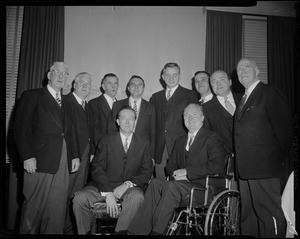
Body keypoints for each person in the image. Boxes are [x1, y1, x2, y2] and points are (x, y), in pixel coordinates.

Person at [125, 103, 225, 235]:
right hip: (181, 185)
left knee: (172, 187)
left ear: (202, 118)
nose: (189, 119)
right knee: (155, 183)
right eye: (186, 116)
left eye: (194, 115)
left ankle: (157, 232)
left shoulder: (212, 138)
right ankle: (137, 231)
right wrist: (176, 174)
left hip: (203, 188)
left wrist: (188, 173)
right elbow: (170, 166)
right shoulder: (180, 141)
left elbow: (217, 165)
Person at [14, 62, 80, 234]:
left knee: (57, 211)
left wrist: (75, 156)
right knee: (33, 209)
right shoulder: (32, 96)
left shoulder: (69, 103)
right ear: (48, 74)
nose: (60, 76)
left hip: (63, 163)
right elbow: (21, 129)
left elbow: (70, 133)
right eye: (56, 72)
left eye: (65, 73)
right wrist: (27, 156)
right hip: (38, 162)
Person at [234, 58, 293, 238]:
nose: (242, 72)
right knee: (249, 217)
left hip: (265, 169)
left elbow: (286, 132)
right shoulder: (243, 98)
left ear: (257, 70)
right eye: (238, 70)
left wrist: (274, 162)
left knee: (269, 215)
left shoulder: (269, 92)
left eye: (246, 68)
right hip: (245, 170)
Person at [72, 106, 153, 234]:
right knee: (79, 198)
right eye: (123, 118)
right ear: (117, 121)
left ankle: (121, 232)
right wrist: (108, 192)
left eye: (131, 118)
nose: (127, 122)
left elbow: (147, 172)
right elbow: (96, 168)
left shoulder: (144, 143)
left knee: (137, 197)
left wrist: (126, 185)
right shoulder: (105, 141)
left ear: (135, 122)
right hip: (103, 187)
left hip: (129, 189)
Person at [150, 62, 198, 179]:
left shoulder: (190, 95)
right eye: (168, 75)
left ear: (179, 76)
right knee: (160, 184)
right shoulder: (155, 97)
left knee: (177, 185)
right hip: (160, 149)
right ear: (163, 77)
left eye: (175, 75)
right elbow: (152, 126)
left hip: (181, 147)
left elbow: (195, 124)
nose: (171, 78)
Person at [64, 72, 92, 234]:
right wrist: (74, 155)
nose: (84, 86)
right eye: (81, 82)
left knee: (75, 196)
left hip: (85, 158)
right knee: (63, 196)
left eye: (88, 84)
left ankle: (68, 229)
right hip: (70, 157)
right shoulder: (65, 102)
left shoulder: (86, 105)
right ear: (74, 84)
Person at [202, 70, 242, 178]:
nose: (218, 84)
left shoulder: (245, 99)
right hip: (225, 166)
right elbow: (207, 140)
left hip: (251, 161)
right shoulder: (205, 109)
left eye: (222, 80)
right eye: (214, 81)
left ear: (230, 82)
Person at [107, 75, 156, 157]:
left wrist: (151, 156)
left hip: (142, 151)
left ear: (143, 88)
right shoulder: (117, 105)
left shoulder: (151, 107)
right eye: (133, 84)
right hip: (119, 150)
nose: (136, 87)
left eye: (139, 85)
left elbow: (153, 133)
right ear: (128, 88)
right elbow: (111, 129)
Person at [88, 73, 119, 159]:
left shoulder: (121, 105)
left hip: (118, 152)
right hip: (101, 151)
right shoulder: (94, 103)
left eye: (115, 83)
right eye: (109, 83)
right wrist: (93, 152)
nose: (113, 86)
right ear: (103, 86)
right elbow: (93, 131)